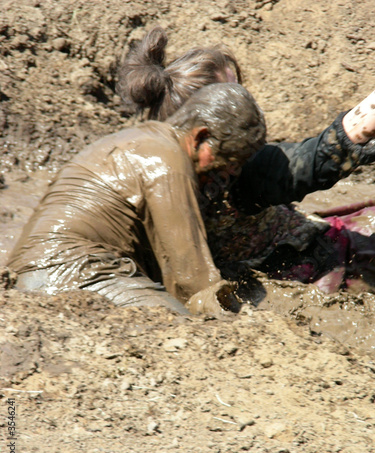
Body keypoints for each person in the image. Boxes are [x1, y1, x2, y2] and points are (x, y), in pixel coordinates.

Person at [115, 27, 375, 293]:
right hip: (304, 262)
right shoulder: (235, 174)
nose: (249, 105)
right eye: (235, 97)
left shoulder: (159, 168)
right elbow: (305, 164)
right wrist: (361, 124)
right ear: (207, 127)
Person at [7, 83, 266, 316]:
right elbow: (191, 279)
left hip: (37, 271)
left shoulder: (144, 138)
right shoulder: (168, 164)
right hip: (69, 271)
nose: (227, 175)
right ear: (200, 136)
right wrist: (239, 320)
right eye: (227, 162)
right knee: (181, 324)